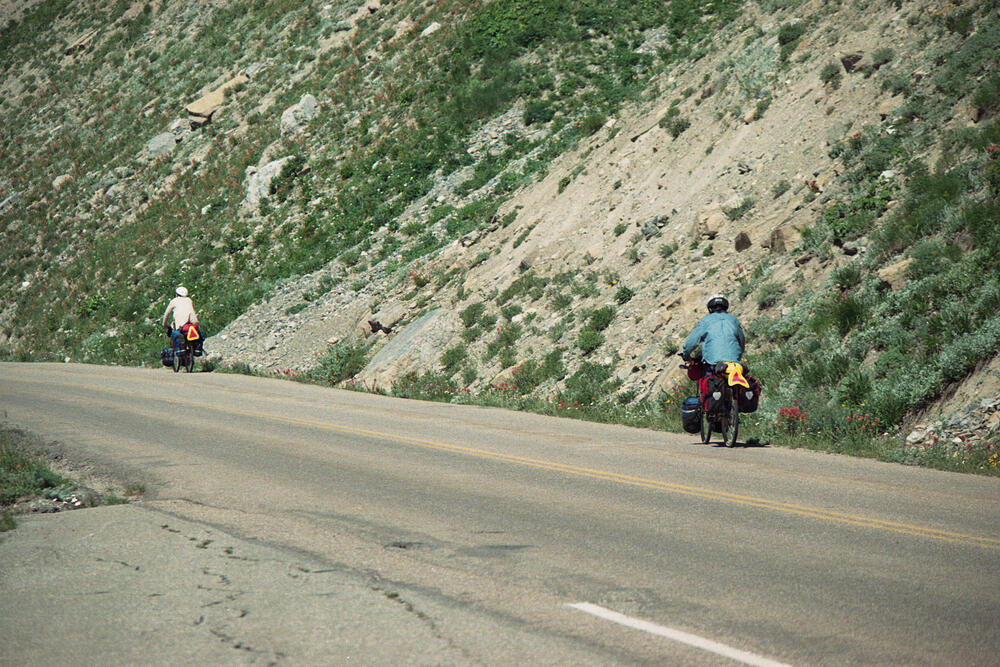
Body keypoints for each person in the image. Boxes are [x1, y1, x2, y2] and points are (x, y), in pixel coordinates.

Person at [681, 294, 745, 367]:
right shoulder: (734, 320)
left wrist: (686, 355)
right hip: (735, 363)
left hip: (713, 363)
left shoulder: (705, 321)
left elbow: (691, 342)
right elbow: (741, 342)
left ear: (710, 309)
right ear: (725, 308)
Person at [161, 286, 200, 351]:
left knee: (174, 334)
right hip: (191, 324)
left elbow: (166, 314)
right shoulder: (189, 300)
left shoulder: (173, 301)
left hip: (180, 326)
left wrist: (164, 324)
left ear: (177, 294)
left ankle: (178, 352)